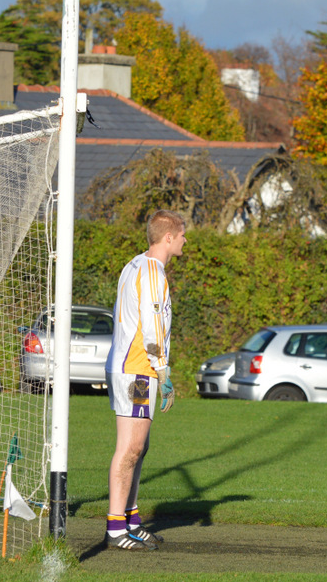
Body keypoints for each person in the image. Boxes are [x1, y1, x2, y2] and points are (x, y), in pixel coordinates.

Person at [104, 210, 186, 551]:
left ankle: (131, 519)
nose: (185, 240)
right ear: (168, 237)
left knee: (141, 446)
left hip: (134, 366)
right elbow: (153, 327)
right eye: (182, 235)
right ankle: (115, 528)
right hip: (138, 369)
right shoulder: (152, 270)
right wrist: (163, 371)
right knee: (131, 448)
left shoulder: (135, 264)